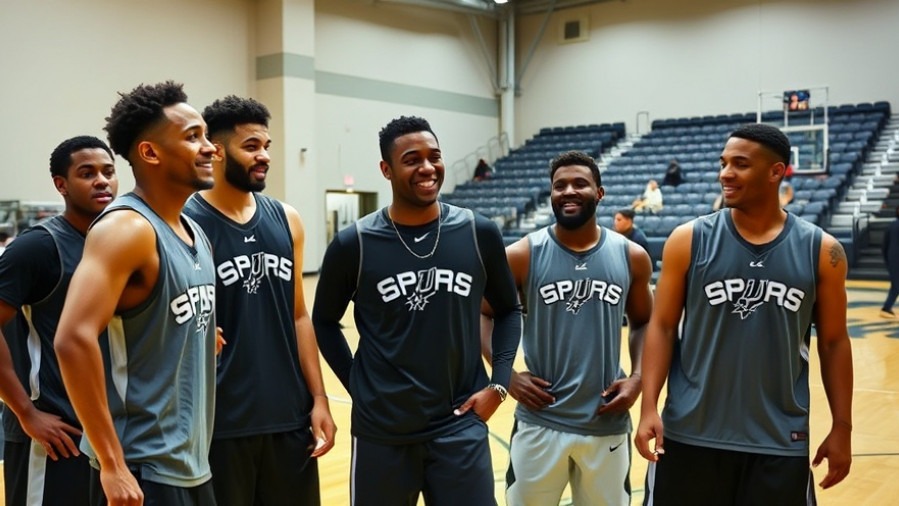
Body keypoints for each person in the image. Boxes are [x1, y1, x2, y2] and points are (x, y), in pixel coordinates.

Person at [635, 123, 854, 505]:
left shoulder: (823, 251)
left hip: (778, 440)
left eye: (740, 164)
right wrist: (649, 406)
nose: (725, 173)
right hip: (689, 434)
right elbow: (663, 326)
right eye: (723, 163)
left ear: (776, 172)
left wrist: (843, 427)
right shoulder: (688, 240)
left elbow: (834, 343)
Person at [312, 115, 522, 505]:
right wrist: (356, 384)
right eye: (412, 159)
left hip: (459, 425)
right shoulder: (353, 244)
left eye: (434, 156)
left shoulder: (478, 233)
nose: (427, 167)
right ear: (386, 169)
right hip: (382, 433)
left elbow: (509, 310)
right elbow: (323, 321)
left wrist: (499, 383)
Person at [55, 81, 219, 505]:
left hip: (191, 462)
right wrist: (112, 465)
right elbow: (72, 339)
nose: (210, 148)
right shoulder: (125, 229)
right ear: (150, 153)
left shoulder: (195, 231)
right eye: (192, 137)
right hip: (142, 466)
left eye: (206, 135)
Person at [183, 95, 336, 504]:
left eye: (266, 146)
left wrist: (319, 398)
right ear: (215, 151)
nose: (264, 156)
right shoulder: (182, 224)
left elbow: (299, 317)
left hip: (289, 418)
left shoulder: (287, 219)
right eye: (251, 147)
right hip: (219, 424)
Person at [484, 151, 653, 506]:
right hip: (539, 422)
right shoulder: (522, 254)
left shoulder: (631, 256)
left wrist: (638, 377)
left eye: (580, 183)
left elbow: (644, 322)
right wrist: (507, 376)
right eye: (559, 185)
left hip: (605, 420)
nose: (568, 191)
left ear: (600, 192)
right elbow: (480, 316)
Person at [0, 136, 118, 506]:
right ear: (61, 184)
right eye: (87, 173)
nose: (101, 181)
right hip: (54, 437)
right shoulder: (37, 247)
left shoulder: (120, 243)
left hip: (108, 433)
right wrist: (27, 413)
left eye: (108, 172)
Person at [881, 205, 899, 319]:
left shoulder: (891, 225)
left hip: (891, 259)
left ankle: (887, 306)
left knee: (895, 284)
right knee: (896, 285)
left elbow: (884, 245)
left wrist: (887, 259)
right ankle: (886, 307)